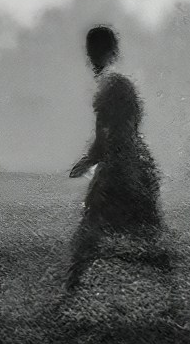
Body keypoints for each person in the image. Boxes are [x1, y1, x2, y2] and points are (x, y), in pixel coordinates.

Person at [52, 20, 178, 312]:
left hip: (121, 170)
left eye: (93, 51)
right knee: (144, 232)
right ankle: (172, 296)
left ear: (103, 51)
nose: (89, 57)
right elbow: (125, 130)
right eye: (89, 51)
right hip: (134, 165)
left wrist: (93, 160)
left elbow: (110, 135)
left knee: (91, 234)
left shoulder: (109, 85)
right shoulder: (120, 83)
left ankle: (67, 299)